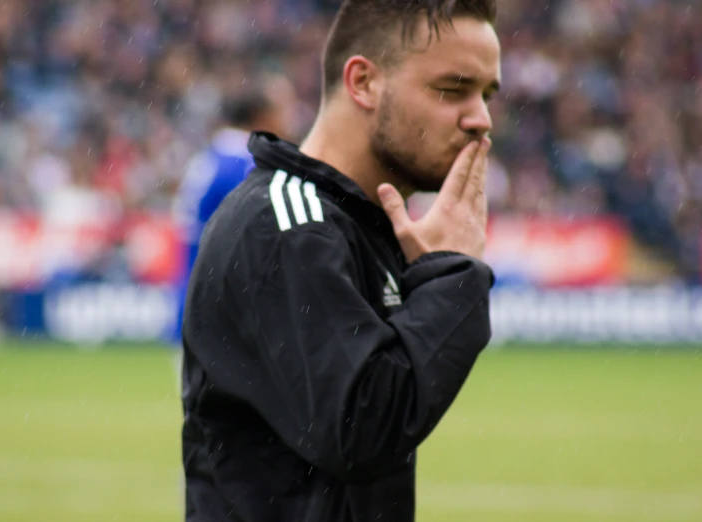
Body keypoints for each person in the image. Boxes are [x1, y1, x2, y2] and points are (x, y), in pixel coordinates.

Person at [180, 0, 501, 520]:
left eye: (486, 94)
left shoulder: (357, 228)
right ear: (364, 83)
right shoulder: (286, 224)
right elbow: (364, 431)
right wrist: (454, 278)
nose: (481, 119)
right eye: (452, 89)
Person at [172, 80, 290, 342]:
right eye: (281, 110)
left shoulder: (212, 156)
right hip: (224, 314)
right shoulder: (246, 164)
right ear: (262, 116)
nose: (287, 120)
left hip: (195, 302)